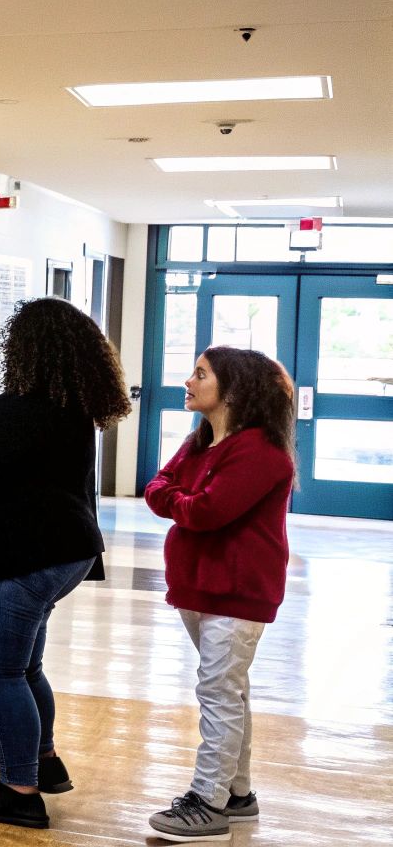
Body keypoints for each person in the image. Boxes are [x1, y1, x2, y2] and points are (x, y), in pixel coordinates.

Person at [0, 297, 131, 829]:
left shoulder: (19, 407)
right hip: (64, 554)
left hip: (12, 560)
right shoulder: (69, 408)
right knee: (25, 668)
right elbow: (5, 455)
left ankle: (19, 792)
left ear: (25, 349)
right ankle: (44, 761)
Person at [141, 346, 295, 843]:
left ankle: (208, 802)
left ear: (232, 389)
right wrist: (180, 499)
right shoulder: (200, 441)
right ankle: (238, 794)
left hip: (237, 590)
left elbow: (207, 512)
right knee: (230, 689)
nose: (188, 382)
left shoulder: (260, 452)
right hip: (197, 586)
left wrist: (179, 500)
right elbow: (156, 487)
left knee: (217, 691)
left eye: (200, 374)